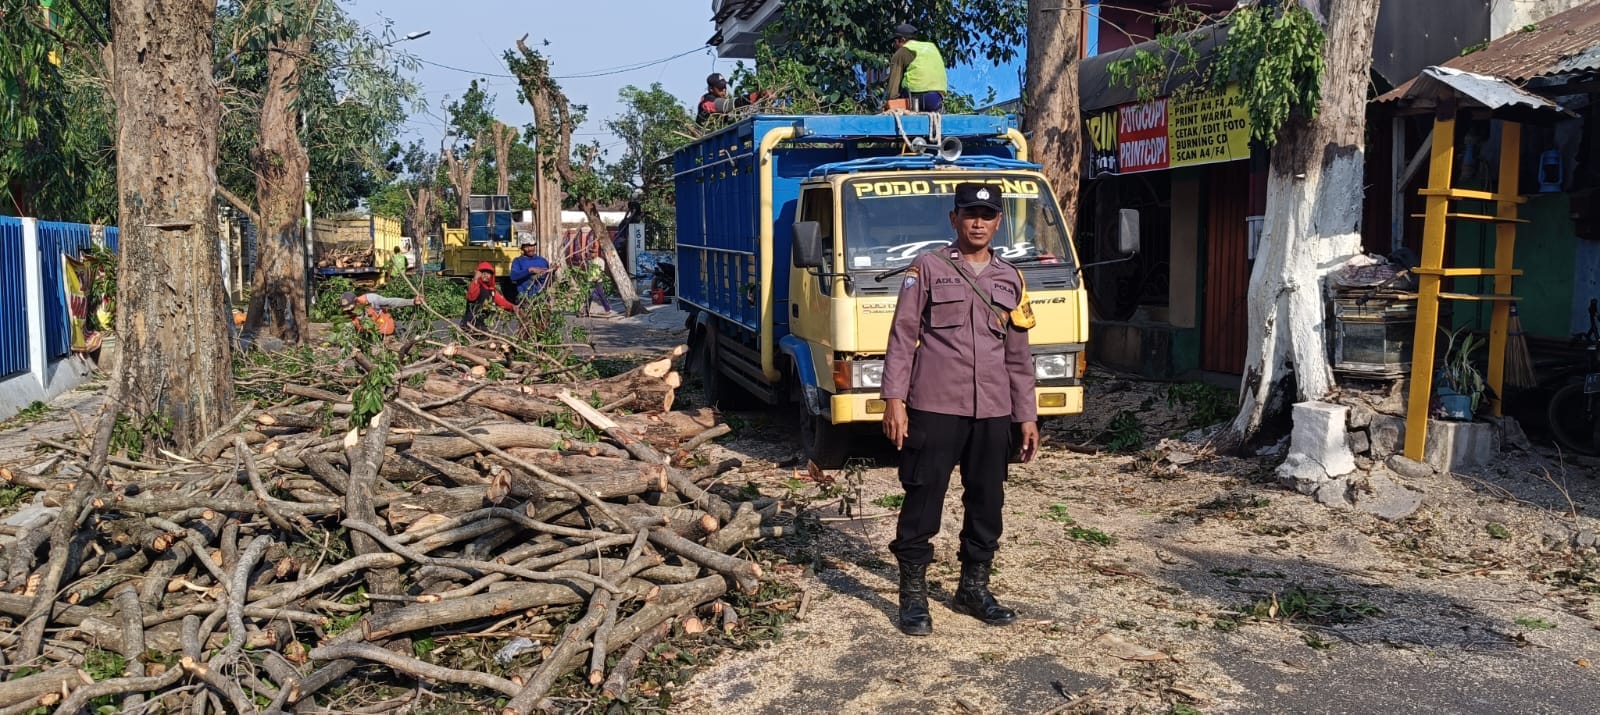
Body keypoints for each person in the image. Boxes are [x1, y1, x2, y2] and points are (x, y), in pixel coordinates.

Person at [879, 182, 1040, 637]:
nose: (978, 221)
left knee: (987, 501)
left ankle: (973, 587)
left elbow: (1017, 356)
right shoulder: (927, 269)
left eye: (987, 215)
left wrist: (1026, 415)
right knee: (923, 497)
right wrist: (894, 400)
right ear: (954, 218)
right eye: (969, 212)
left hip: (992, 409)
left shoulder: (1010, 278)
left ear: (998, 221)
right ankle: (912, 595)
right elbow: (902, 337)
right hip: (935, 405)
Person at [885, 23, 947, 113]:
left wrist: (890, 105)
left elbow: (894, 85)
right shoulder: (931, 47)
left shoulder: (903, 51)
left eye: (895, 42)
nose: (894, 46)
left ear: (902, 40)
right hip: (937, 99)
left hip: (915, 99)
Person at [338, 290, 422, 337]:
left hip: (384, 330)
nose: (351, 311)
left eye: (352, 308)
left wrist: (412, 301)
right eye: (348, 309)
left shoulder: (371, 299)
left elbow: (391, 302)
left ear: (356, 301)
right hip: (368, 336)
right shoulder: (347, 313)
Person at [462, 261, 517, 329]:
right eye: (483, 273)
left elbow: (501, 302)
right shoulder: (476, 286)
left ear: (492, 276)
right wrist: (475, 279)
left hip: (482, 325)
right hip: (471, 324)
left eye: (488, 273)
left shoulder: (491, 290)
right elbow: (471, 297)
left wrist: (513, 307)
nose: (486, 275)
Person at [695, 73, 761, 125]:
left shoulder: (720, 98)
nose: (724, 90)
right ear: (711, 89)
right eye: (720, 88)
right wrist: (754, 96)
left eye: (724, 86)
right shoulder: (708, 102)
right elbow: (728, 105)